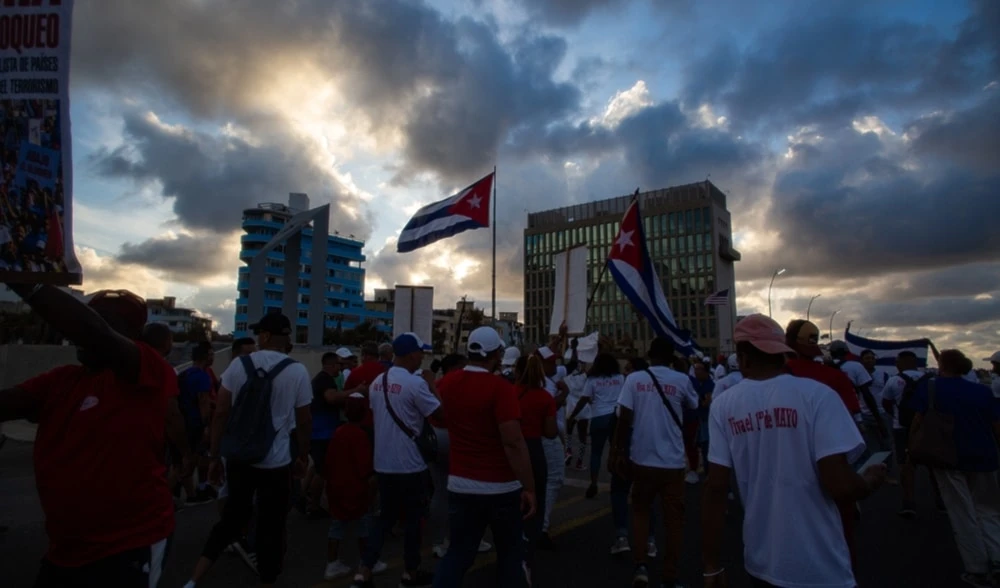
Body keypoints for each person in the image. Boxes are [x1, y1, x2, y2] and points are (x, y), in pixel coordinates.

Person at [0, 286, 178, 587]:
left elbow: (96, 335)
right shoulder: (61, 381)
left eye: (101, 322)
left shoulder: (149, 369)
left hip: (129, 545)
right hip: (64, 552)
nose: (78, 334)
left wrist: (28, 282)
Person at [701, 314, 886, 588]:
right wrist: (869, 480)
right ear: (783, 353)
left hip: (761, 561)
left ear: (743, 359)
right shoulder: (818, 395)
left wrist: (711, 565)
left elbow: (716, 487)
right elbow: (841, 485)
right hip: (821, 566)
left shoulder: (723, 405)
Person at [184, 313, 313, 588]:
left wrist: (216, 455)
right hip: (276, 462)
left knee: (231, 519)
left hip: (240, 458)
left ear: (265, 336)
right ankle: (267, 579)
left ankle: (194, 579)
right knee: (272, 525)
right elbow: (304, 421)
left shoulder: (239, 366)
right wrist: (302, 456)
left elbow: (221, 412)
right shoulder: (297, 371)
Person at [433, 326, 537, 587]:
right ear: (497, 354)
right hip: (501, 487)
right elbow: (513, 442)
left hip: (461, 484)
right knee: (510, 554)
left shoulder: (447, 383)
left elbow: (437, 416)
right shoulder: (500, 388)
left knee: (458, 554)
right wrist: (529, 487)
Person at [351, 333, 440, 588]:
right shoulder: (416, 384)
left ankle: (364, 571)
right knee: (414, 521)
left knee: (384, 518)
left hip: (384, 463)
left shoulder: (378, 382)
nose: (422, 357)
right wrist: (432, 384)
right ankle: (410, 573)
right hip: (411, 464)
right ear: (411, 354)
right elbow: (439, 414)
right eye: (421, 352)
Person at [611, 337, 699, 588]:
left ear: (649, 355)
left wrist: (617, 451)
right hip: (673, 462)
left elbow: (624, 417)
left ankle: (640, 566)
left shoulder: (634, 379)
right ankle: (670, 575)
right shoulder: (681, 380)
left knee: (640, 512)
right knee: (674, 521)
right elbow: (693, 405)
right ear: (671, 358)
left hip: (641, 459)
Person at [911, 349, 1000, 588]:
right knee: (989, 511)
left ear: (942, 365)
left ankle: (977, 569)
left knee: (962, 513)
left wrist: (912, 449)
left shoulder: (931, 388)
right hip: (985, 457)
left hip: (947, 457)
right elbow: (996, 426)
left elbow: (918, 421)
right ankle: (997, 558)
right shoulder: (982, 391)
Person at [323, 393, 388, 580]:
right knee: (364, 526)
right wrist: (371, 493)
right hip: (356, 489)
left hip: (337, 488)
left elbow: (329, 462)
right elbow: (366, 469)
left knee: (337, 526)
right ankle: (367, 562)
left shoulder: (338, 432)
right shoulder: (360, 436)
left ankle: (332, 563)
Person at [513, 354, 558, 581]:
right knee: (536, 503)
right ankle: (526, 557)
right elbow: (550, 432)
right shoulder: (545, 397)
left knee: (510, 500)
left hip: (511, 449)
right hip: (534, 449)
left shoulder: (509, 393)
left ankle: (510, 550)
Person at [881, 350, 932, 516]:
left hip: (901, 426)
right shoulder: (930, 380)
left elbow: (886, 402)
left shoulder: (894, 380)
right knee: (933, 463)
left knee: (905, 465)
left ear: (902, 362)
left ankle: (908, 502)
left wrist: (896, 415)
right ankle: (941, 501)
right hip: (926, 427)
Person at [568, 352, 624, 499]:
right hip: (615, 417)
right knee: (616, 451)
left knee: (596, 453)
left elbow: (583, 400)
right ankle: (617, 482)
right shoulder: (620, 378)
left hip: (598, 417)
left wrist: (572, 416)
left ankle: (593, 483)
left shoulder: (592, 380)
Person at [177, 343, 218, 506]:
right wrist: (206, 426)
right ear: (205, 357)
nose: (213, 357)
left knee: (192, 459)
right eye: (211, 354)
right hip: (196, 424)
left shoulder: (185, 374)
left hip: (185, 422)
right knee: (192, 460)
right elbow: (203, 402)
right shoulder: (202, 376)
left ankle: (196, 491)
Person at [685, 361, 714, 484]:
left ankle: (710, 476)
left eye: (699, 369)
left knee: (706, 448)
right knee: (695, 446)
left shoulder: (709, 385)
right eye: (695, 369)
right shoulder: (697, 383)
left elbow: (706, 403)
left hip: (705, 420)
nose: (696, 372)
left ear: (706, 371)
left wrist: (694, 399)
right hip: (698, 419)